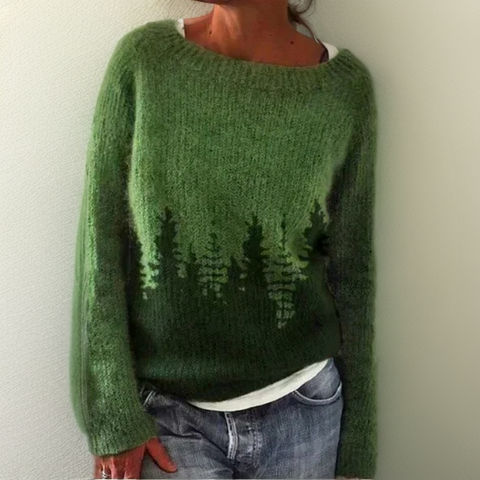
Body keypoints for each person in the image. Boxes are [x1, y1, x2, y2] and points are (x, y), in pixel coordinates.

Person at [69, 1, 379, 479]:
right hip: (168, 419)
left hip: (306, 411)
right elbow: (100, 244)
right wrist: (111, 415)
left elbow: (351, 269)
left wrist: (358, 444)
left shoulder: (343, 89)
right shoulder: (146, 62)